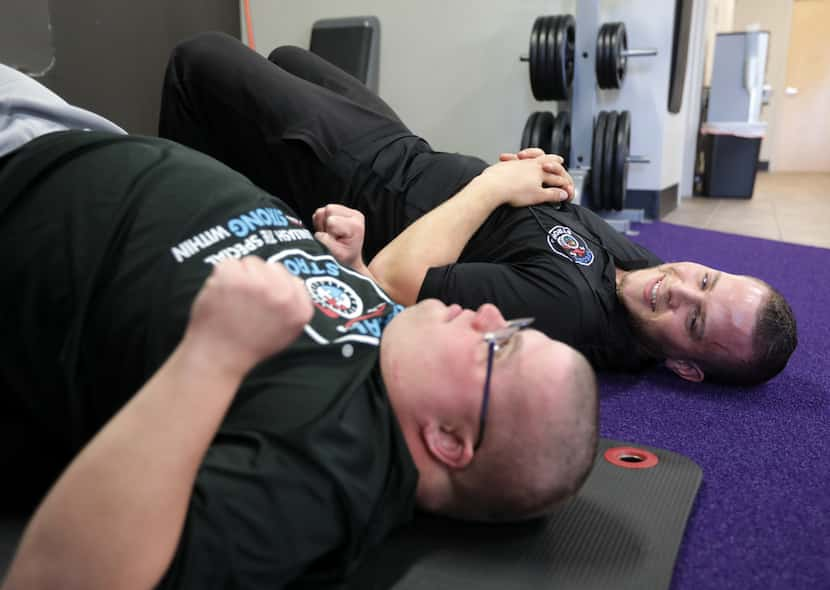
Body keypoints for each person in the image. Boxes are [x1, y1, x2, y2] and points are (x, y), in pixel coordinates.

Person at [0, 62, 598, 589]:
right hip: (80, 138)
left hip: (23, 185)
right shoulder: (403, 355)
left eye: (500, 345)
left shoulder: (326, 475)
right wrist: (351, 272)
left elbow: (57, 578)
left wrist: (212, 355)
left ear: (447, 438)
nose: (489, 315)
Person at [158, 32, 798, 386]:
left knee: (199, 62)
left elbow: (390, 282)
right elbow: (558, 213)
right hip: (410, 149)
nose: (680, 290)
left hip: (368, 174)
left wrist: (496, 186)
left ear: (684, 365)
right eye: (706, 279)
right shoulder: (644, 273)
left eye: (694, 321)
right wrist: (538, 171)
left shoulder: (571, 308)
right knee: (286, 59)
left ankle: (173, 244)